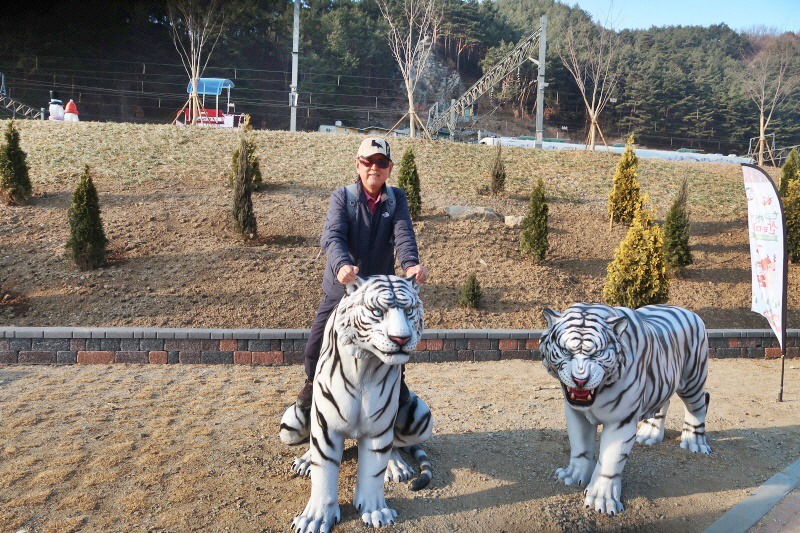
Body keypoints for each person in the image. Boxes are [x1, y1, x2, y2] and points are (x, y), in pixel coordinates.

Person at [296, 136, 428, 410]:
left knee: (395, 336)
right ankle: (311, 382)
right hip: (344, 286)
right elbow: (332, 236)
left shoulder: (396, 199)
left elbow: (403, 234)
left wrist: (411, 264)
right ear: (358, 164)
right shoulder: (342, 196)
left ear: (390, 168)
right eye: (368, 162)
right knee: (317, 341)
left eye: (381, 163)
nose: (374, 168)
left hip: (380, 290)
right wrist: (342, 265)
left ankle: (398, 384)